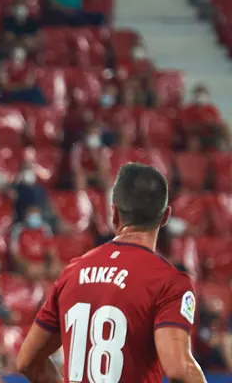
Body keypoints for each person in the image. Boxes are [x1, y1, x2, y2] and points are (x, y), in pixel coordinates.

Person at [16, 163, 207, 382]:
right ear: (164, 218)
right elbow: (178, 370)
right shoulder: (169, 282)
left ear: (114, 213)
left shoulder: (72, 272)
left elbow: (27, 361)